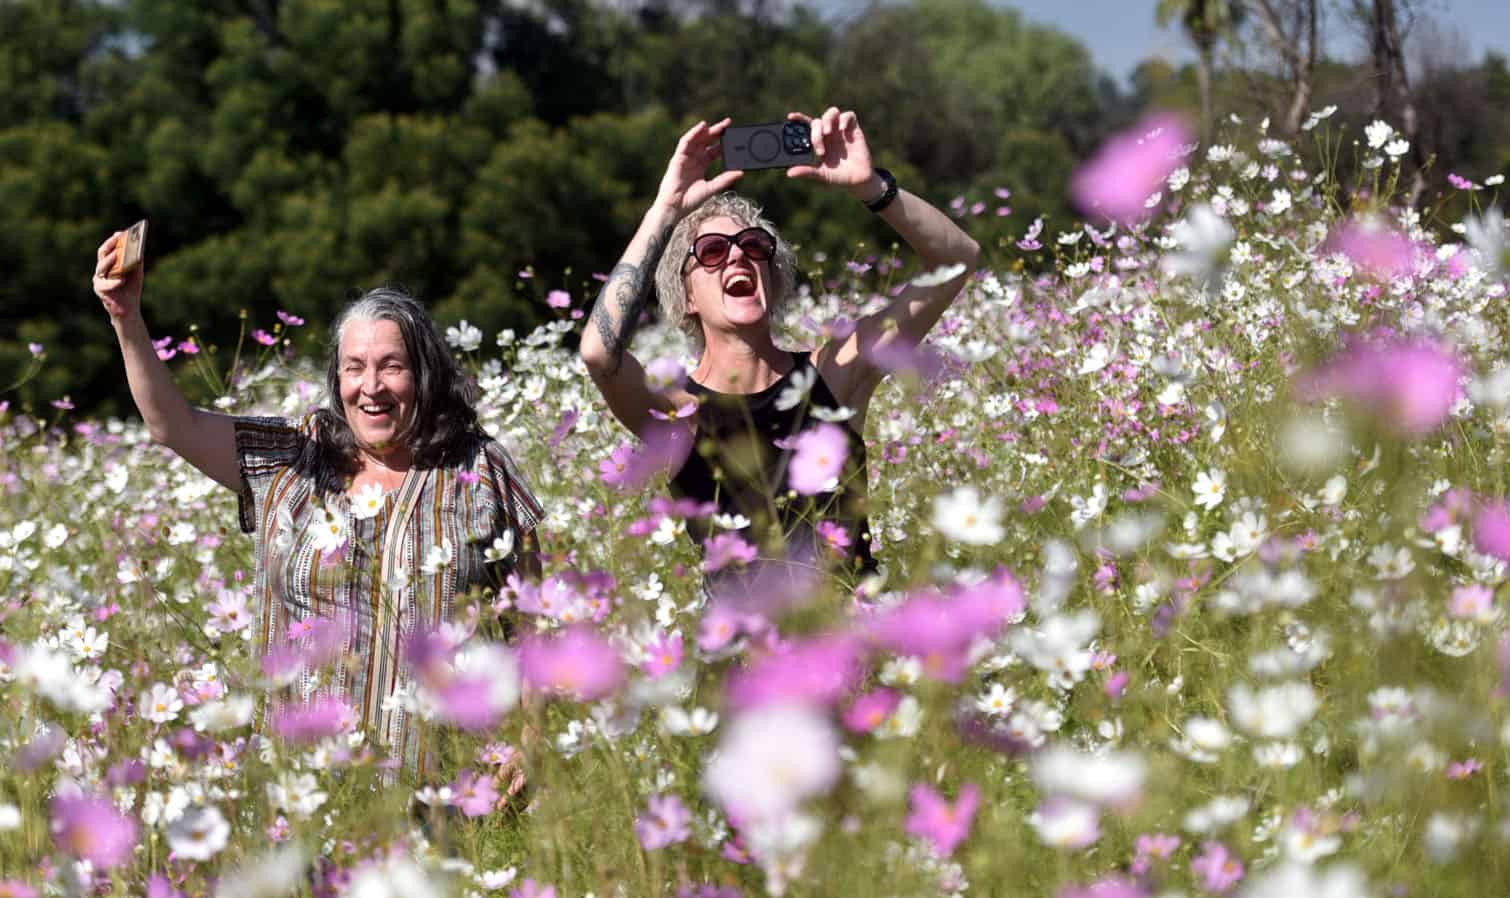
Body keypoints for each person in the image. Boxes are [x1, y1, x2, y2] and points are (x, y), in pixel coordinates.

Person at [92, 233, 542, 775]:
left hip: (448, 785)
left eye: (391, 366)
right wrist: (125, 318)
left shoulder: (479, 468)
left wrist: (531, 739)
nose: (370, 387)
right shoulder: (294, 456)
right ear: (338, 377)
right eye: (354, 367)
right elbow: (173, 425)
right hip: (307, 787)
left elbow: (536, 622)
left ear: (425, 373)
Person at [581, 107, 979, 587]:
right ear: (687, 298)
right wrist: (665, 209)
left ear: (772, 277)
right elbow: (599, 353)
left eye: (754, 246)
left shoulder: (834, 374)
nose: (737, 255)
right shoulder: (680, 414)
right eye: (712, 252)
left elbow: (958, 260)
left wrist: (871, 187)